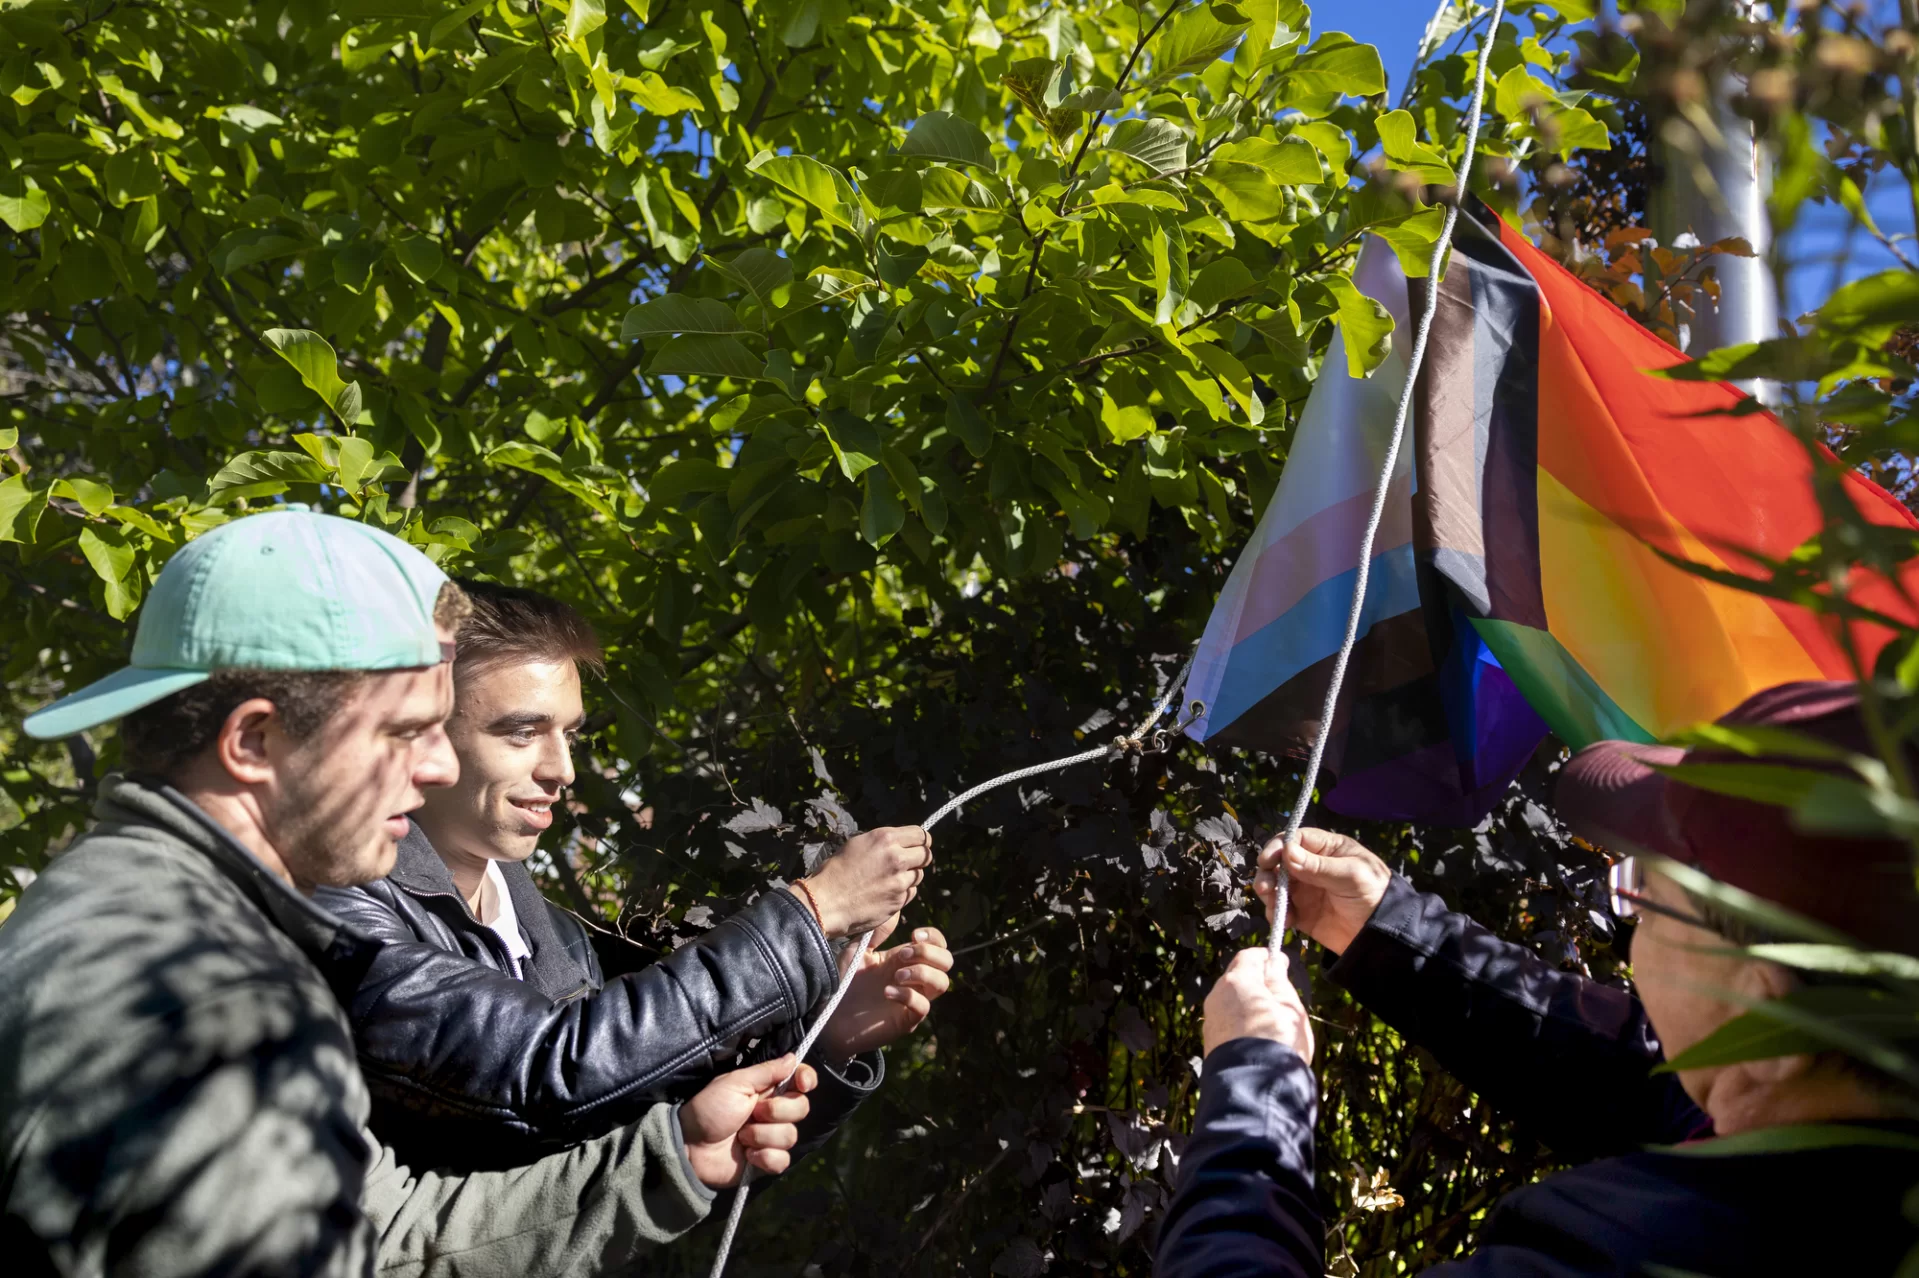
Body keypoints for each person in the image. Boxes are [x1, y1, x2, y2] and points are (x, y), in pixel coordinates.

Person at [0, 507, 817, 1278]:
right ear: (254, 740)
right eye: (403, 732)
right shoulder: (187, 985)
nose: (436, 767)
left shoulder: (200, 930)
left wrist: (670, 1157)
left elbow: (372, 1236)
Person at [1158, 681, 1919, 1276]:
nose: (1631, 934)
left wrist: (1254, 1089)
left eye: (1649, 898)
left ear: (1763, 1017)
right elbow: (1624, 1069)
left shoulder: (1640, 1256)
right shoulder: (1837, 1153)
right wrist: (1383, 927)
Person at [312, 579, 953, 1170]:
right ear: (414, 733)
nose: (561, 768)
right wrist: (810, 916)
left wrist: (828, 1036)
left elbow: (627, 1139)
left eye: (569, 733)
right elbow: (543, 1070)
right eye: (520, 732)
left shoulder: (553, 935)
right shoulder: (342, 909)